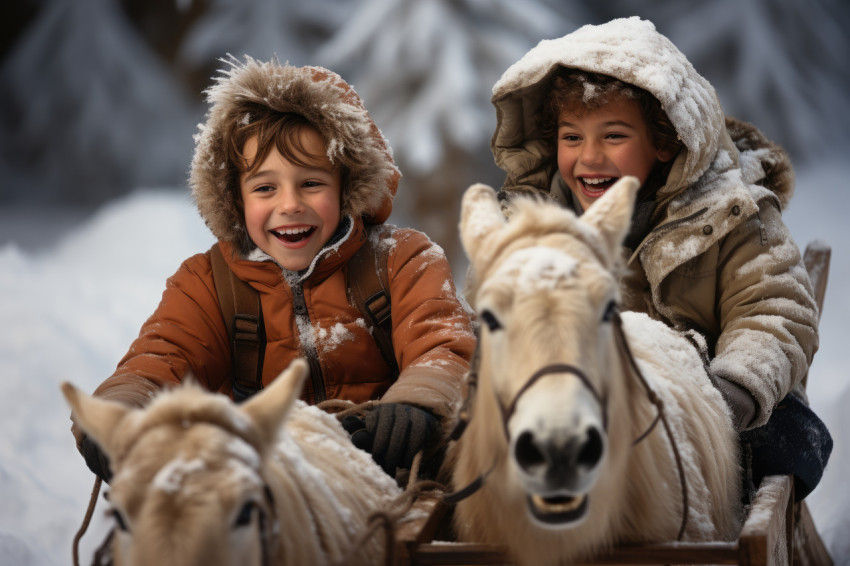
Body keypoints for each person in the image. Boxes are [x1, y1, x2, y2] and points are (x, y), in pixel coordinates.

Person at [71, 56, 476, 484]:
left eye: (311, 183)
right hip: (262, 485)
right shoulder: (208, 284)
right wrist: (119, 416)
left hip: (393, 472)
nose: (289, 205)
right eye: (265, 187)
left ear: (347, 187)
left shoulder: (401, 260)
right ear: (235, 199)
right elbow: (162, 356)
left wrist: (417, 404)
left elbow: (444, 345)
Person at [488, 17, 831, 500]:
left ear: (666, 143)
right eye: (571, 137)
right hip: (575, 401)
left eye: (613, 136)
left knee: (787, 444)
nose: (588, 157)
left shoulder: (733, 214)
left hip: (710, 397)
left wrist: (730, 391)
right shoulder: (533, 222)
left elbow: (773, 310)